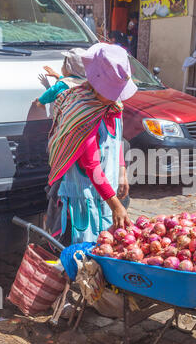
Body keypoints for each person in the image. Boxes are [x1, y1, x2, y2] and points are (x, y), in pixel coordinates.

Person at [45, 43, 137, 244]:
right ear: (96, 84)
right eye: (112, 90)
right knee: (79, 259)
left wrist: (122, 172)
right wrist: (115, 205)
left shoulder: (114, 105)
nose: (116, 96)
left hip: (104, 194)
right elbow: (91, 165)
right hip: (80, 199)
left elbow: (117, 140)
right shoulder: (82, 111)